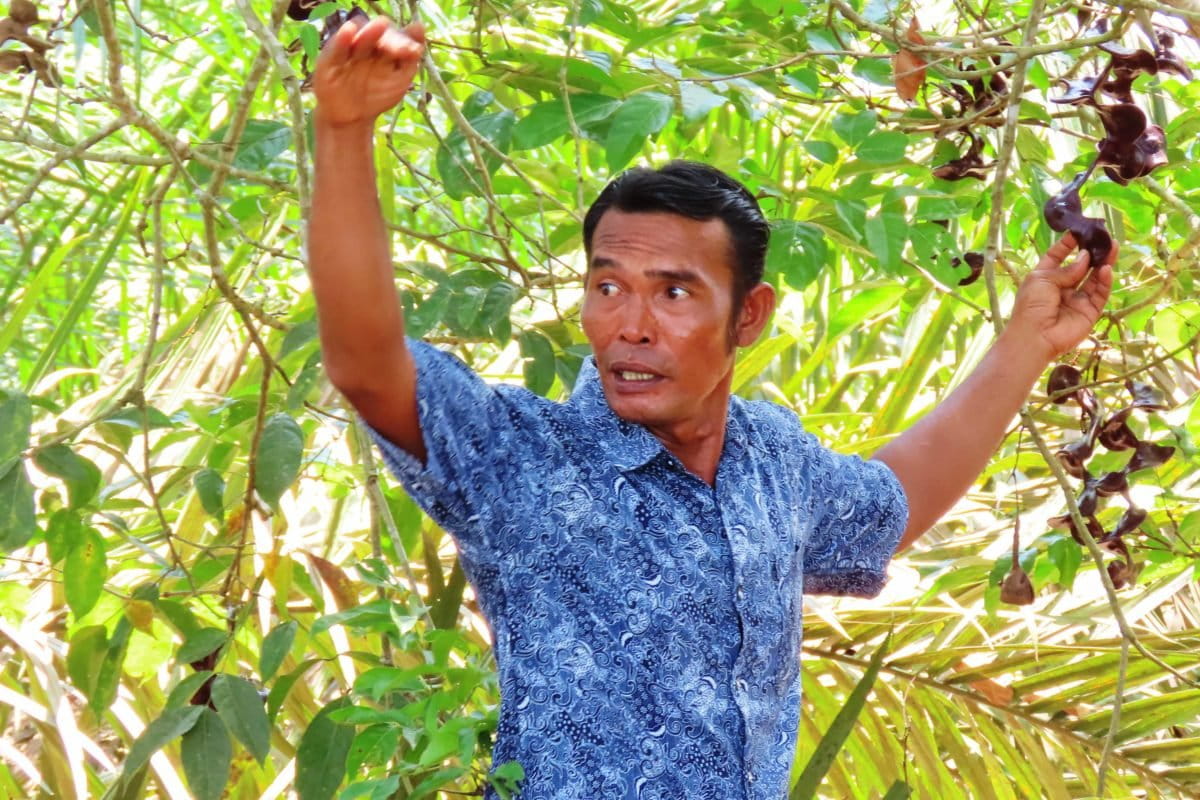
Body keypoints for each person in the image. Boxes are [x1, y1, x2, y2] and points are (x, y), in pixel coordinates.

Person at [306, 15, 1115, 800]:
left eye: (675, 293)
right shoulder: (522, 459)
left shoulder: (772, 459)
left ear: (750, 317)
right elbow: (367, 365)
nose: (631, 324)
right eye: (608, 286)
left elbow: (890, 503)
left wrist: (1027, 343)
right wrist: (344, 134)